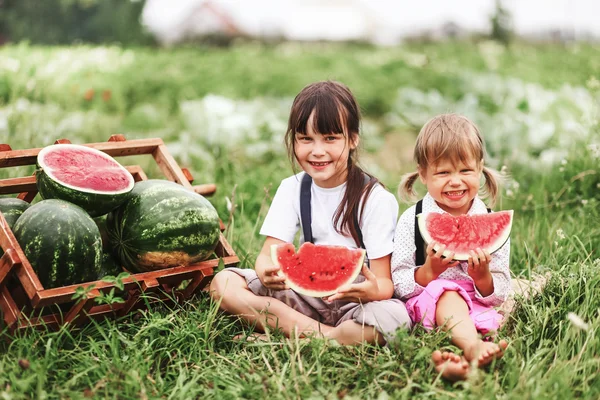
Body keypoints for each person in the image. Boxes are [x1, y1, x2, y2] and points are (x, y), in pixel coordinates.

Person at [210, 81, 411, 345]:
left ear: (352, 139)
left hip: (356, 302)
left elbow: (385, 283)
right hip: (303, 296)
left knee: (393, 320)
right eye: (306, 139)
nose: (317, 151)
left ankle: (292, 335)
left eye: (330, 138)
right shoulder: (291, 189)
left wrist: (372, 291)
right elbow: (267, 256)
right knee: (223, 283)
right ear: (294, 140)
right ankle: (327, 337)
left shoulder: (375, 199)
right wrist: (267, 272)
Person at [392, 113, 510, 381]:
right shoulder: (412, 219)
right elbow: (398, 281)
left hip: (477, 305)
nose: (455, 181)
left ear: (480, 168)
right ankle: (472, 347)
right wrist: (427, 272)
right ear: (423, 174)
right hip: (429, 302)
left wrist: (484, 279)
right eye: (443, 172)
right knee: (447, 293)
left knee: (473, 312)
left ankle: (454, 363)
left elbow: (501, 290)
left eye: (465, 171)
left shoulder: (489, 220)